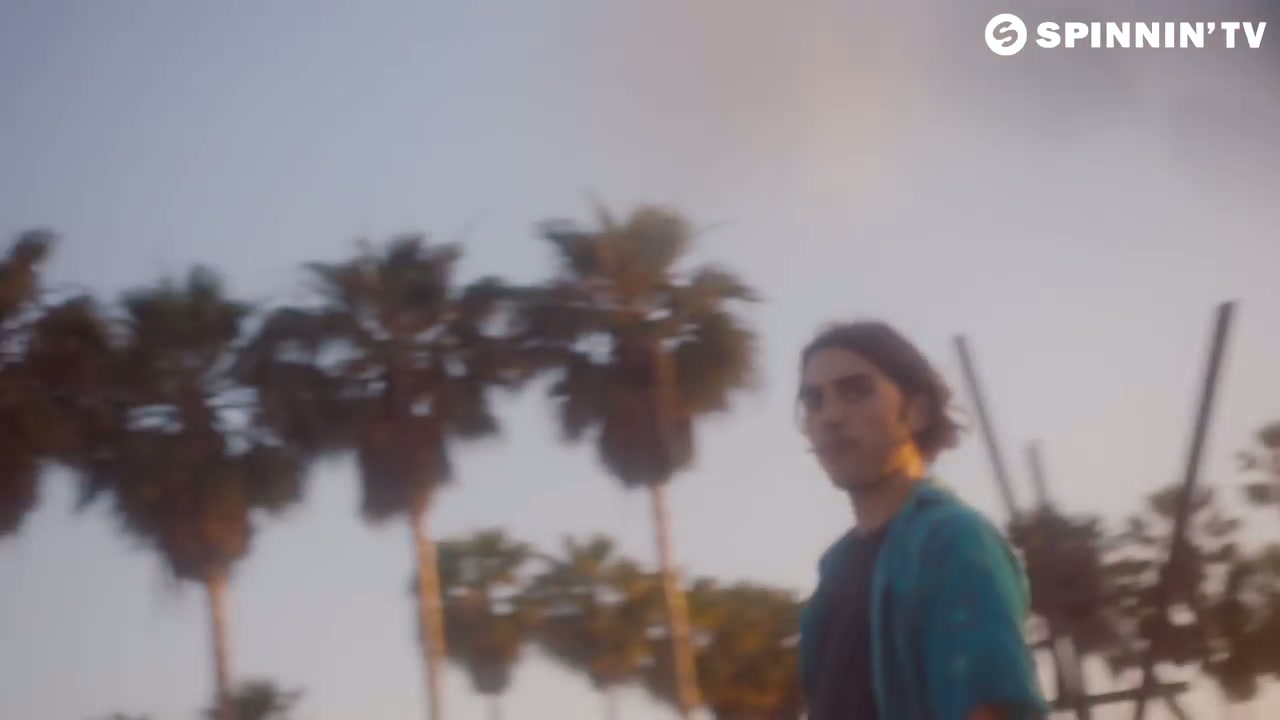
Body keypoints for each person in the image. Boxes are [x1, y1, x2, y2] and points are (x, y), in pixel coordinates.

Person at [796, 321, 1048, 720]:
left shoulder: (953, 541)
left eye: (855, 391)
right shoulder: (835, 567)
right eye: (814, 401)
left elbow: (988, 708)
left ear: (916, 411)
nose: (830, 416)